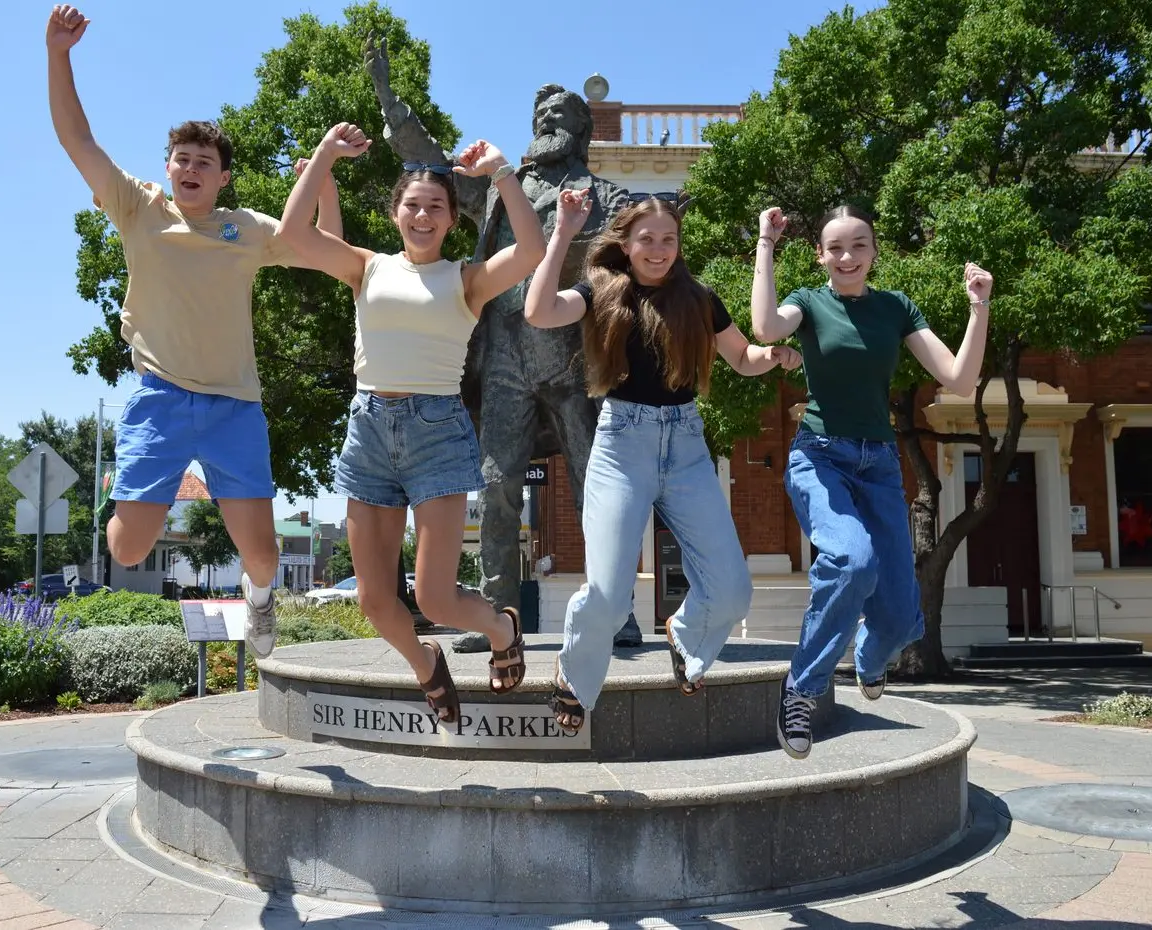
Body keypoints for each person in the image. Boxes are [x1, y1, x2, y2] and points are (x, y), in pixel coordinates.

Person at [45, 5, 342, 659]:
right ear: (169, 166)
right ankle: (119, 490)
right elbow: (78, 142)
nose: (190, 167)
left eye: (203, 161)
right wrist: (59, 55)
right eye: (181, 158)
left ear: (222, 176)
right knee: (126, 547)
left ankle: (259, 601)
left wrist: (321, 183)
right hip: (161, 401)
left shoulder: (245, 229)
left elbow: (324, 247)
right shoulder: (137, 206)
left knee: (261, 555)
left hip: (234, 408)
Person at [364, 43, 646, 649]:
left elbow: (643, 238)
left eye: (561, 116)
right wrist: (391, 103)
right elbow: (431, 163)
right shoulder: (498, 187)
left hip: (572, 361)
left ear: (579, 132)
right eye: (540, 115)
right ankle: (495, 610)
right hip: (505, 363)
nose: (548, 123)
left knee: (597, 487)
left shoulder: (602, 196)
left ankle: (615, 608)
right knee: (496, 485)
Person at [274, 124, 545, 724]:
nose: (423, 216)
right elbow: (295, 236)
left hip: (437, 432)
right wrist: (324, 158)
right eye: (413, 205)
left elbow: (530, 251)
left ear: (451, 220)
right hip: (369, 431)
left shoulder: (465, 281)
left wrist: (502, 172)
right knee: (373, 599)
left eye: (436, 208)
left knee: (436, 596)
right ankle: (426, 665)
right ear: (396, 212)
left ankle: (503, 626)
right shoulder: (366, 268)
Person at [523, 190, 802, 732]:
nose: (658, 249)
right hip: (621, 445)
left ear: (678, 245)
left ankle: (685, 632)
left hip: (687, 446)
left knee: (732, 591)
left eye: (668, 239)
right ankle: (574, 680)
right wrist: (563, 231)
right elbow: (539, 311)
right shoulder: (603, 289)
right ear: (625, 244)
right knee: (606, 594)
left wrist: (772, 356)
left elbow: (742, 358)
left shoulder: (698, 297)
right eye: (646, 239)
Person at [752, 204, 994, 760]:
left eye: (859, 245)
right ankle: (802, 688)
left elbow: (958, 378)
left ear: (874, 253)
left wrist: (978, 307)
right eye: (835, 246)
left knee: (901, 612)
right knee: (852, 560)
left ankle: (869, 651)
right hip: (820, 456)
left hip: (880, 463)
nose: (846, 256)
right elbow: (766, 327)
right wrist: (766, 244)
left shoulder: (896, 308)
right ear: (820, 255)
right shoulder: (809, 302)